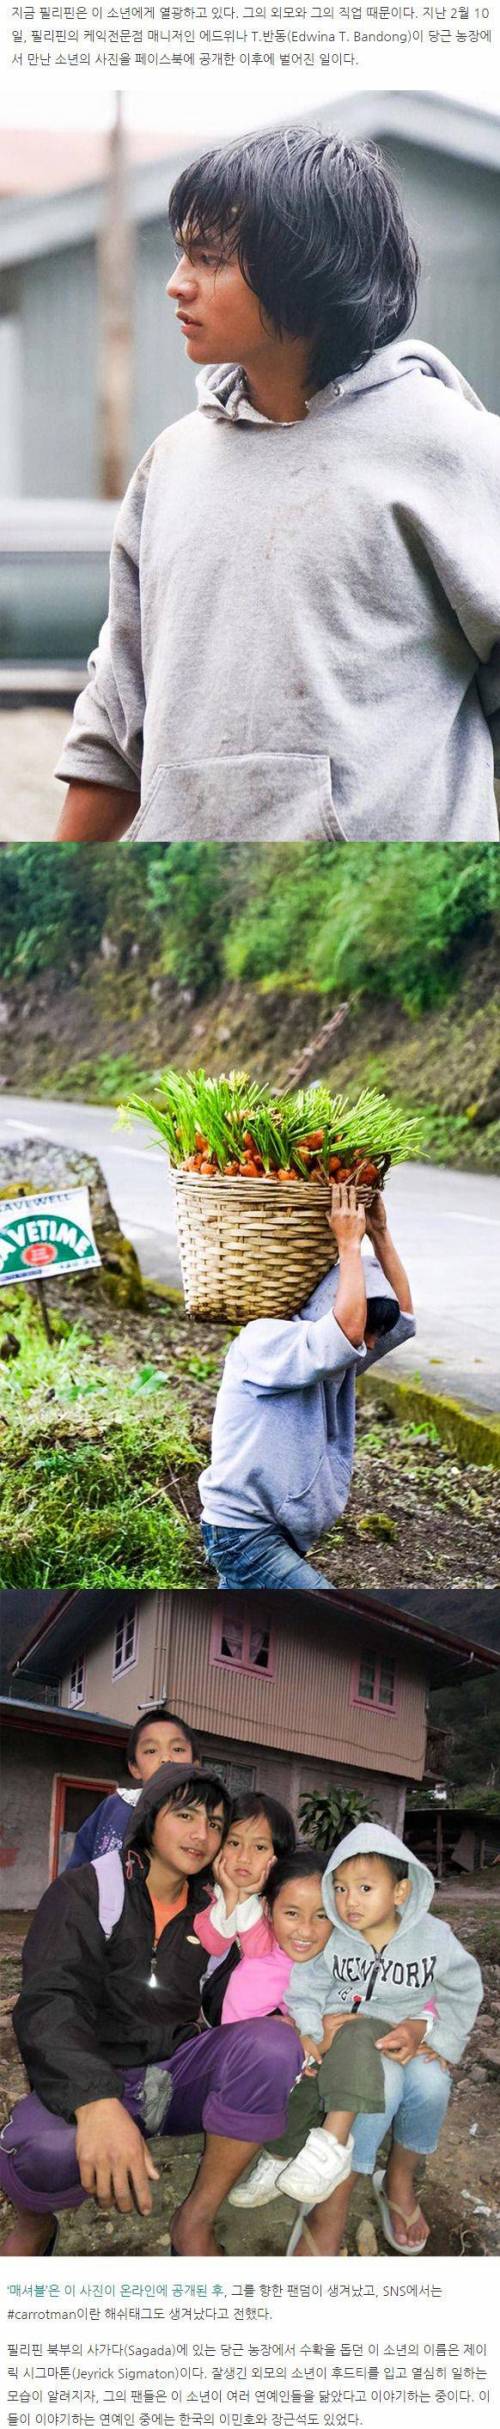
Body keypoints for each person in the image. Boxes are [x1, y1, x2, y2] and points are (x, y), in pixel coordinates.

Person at [52, 127, 500, 846]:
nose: (177, 282)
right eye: (181, 253)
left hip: (392, 924)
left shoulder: (454, 449)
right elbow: (115, 718)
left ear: (309, 271)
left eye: (211, 259)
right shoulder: (172, 464)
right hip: (187, 912)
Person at [0, 1766, 303, 2260]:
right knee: (40, 2152)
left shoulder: (217, 1907)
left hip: (177, 2077)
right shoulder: (86, 1891)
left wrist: (248, 1920)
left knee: (272, 2045)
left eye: (214, 1824)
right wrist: (96, 2101)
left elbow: (232, 2006)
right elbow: (51, 2000)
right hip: (96, 2070)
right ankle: (36, 2224)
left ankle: (195, 2219)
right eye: (185, 1815)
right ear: (149, 1817)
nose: (200, 1834)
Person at [250, 1823, 482, 2256]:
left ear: (399, 1892)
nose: (348, 1901)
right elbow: (307, 1987)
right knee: (383, 2085)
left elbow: (464, 1985)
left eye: (364, 1888)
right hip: (350, 2045)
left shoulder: (434, 1938)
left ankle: (398, 2178)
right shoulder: (339, 1938)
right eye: (338, 1888)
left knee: (433, 2081)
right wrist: (313, 2032)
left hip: (403, 2037)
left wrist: (442, 2037)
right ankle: (334, 2190)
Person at [200, 1185, 415, 1591]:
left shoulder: (336, 1356)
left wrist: (380, 1233)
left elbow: (403, 1317)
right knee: (335, 1618)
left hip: (279, 1536)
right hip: (244, 1534)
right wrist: (348, 1244)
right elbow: (347, 1329)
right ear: (330, 1308)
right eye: (369, 1331)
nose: (370, 1344)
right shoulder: (267, 1341)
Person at [65, 1704, 198, 1868]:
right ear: (135, 1768)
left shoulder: (204, 1819)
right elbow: (77, 1869)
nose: (166, 1758)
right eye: (151, 1751)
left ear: (195, 1764)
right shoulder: (114, 1807)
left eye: (178, 1749)